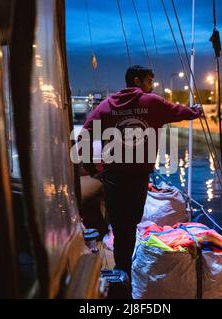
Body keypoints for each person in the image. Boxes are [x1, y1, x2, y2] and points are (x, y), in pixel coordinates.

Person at [79, 65, 201, 283]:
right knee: (131, 221)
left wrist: (91, 167)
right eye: (148, 80)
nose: (151, 85)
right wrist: (196, 111)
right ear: (137, 80)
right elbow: (177, 111)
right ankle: (127, 268)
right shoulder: (151, 102)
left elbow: (84, 136)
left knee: (118, 223)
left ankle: (122, 267)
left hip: (113, 175)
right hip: (138, 175)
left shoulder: (107, 106)